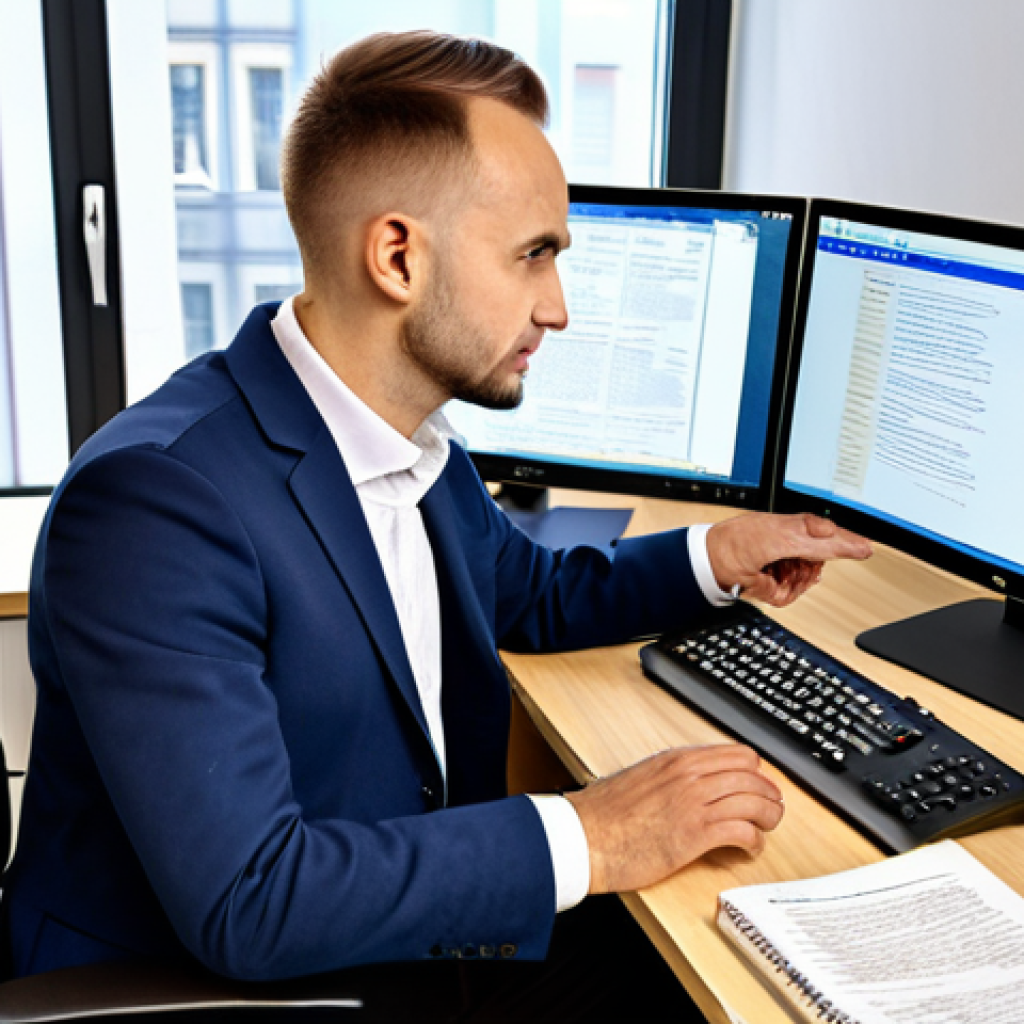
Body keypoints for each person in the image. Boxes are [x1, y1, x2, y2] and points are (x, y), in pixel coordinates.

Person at [1, 30, 871, 1021]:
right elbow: (250, 898)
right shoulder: (157, 504)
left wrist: (716, 558)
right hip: (219, 988)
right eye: (533, 255)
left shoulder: (408, 441)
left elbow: (525, 591)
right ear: (398, 255)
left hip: (400, 929)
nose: (559, 307)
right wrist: (592, 832)